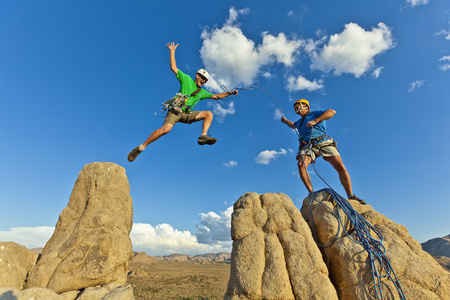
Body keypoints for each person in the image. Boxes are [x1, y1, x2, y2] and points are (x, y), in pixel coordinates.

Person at [128, 42, 238, 162]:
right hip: (175, 110)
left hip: (187, 114)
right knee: (165, 130)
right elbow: (173, 68)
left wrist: (230, 93)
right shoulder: (186, 79)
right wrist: (172, 51)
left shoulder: (202, 92)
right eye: (202, 78)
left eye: (205, 80)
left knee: (209, 114)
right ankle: (141, 147)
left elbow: (217, 96)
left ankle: (203, 136)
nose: (203, 81)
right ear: (197, 75)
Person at [281, 99, 365, 203]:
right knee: (301, 164)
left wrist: (316, 121)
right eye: (294, 106)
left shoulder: (315, 113)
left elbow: (332, 111)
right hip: (308, 146)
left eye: (297, 105)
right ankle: (312, 194)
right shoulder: (299, 122)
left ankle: (350, 195)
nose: (295, 108)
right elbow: (292, 125)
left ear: (306, 106)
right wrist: (284, 121)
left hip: (323, 142)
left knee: (340, 166)